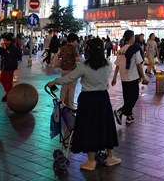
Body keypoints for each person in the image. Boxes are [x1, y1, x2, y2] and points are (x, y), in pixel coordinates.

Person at [47, 38, 121, 171]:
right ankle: (110, 157)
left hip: (88, 99)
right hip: (103, 98)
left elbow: (69, 78)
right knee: (106, 125)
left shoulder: (84, 65)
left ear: (89, 49)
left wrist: (55, 81)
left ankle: (91, 161)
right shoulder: (108, 64)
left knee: (89, 127)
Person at [112, 30, 148, 126]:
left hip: (124, 78)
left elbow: (117, 65)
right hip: (132, 77)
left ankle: (129, 117)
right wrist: (143, 77)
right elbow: (139, 65)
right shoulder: (135, 49)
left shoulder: (121, 50)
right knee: (134, 97)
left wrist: (115, 77)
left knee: (127, 99)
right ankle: (120, 111)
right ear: (132, 37)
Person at [59, 33, 81, 110]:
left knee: (64, 87)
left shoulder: (63, 48)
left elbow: (59, 56)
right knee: (72, 89)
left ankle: (61, 104)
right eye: (76, 41)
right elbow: (77, 59)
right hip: (72, 71)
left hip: (64, 71)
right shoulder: (73, 48)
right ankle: (70, 106)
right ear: (72, 41)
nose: (76, 42)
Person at [0, 33, 22, 102]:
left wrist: (2, 48)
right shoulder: (8, 46)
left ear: (9, 41)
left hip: (10, 66)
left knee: (6, 80)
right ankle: (8, 93)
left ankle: (8, 94)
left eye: (5, 40)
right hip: (7, 66)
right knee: (3, 79)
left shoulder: (12, 47)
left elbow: (6, 55)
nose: (3, 41)